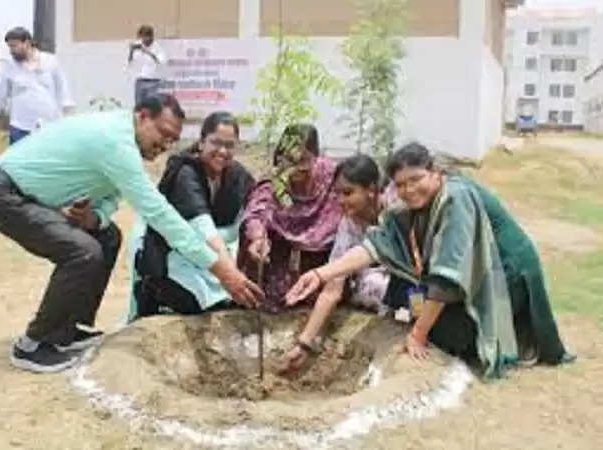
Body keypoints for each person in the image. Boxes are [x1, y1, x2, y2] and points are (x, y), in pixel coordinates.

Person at [0, 92, 263, 374]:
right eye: (162, 134)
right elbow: (160, 214)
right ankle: (31, 345)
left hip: (28, 196)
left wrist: (93, 218)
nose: (165, 144)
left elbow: (109, 199)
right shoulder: (116, 141)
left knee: (108, 237)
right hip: (3, 193)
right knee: (83, 251)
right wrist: (222, 270)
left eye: (173, 140)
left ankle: (67, 330)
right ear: (142, 116)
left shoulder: (125, 144)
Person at [287, 142, 574, 378]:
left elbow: (446, 276)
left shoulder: (455, 198)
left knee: (444, 331)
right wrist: (320, 274)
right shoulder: (406, 208)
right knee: (405, 291)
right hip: (451, 278)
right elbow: (376, 246)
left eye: (416, 180)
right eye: (401, 185)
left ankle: (495, 335)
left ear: (435, 173)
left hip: (504, 269)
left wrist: (418, 333)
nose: (409, 190)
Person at [129, 111, 255, 319]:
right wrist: (230, 274)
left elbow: (257, 202)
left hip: (210, 262)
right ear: (201, 142)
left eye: (230, 145)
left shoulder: (237, 175)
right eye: (216, 143)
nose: (223, 151)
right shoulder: (185, 173)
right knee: (194, 305)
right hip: (173, 260)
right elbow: (203, 229)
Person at [281, 154, 392, 372]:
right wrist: (304, 343)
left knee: (380, 284)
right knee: (370, 283)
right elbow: (332, 288)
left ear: (371, 189)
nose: (341, 200)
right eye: (337, 194)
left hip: (411, 286)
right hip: (379, 291)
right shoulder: (348, 226)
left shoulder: (396, 214)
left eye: (348, 193)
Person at [240, 124, 343, 313]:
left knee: (321, 293)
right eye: (288, 160)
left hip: (323, 256)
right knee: (273, 296)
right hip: (280, 252)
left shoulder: (333, 177)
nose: (293, 169)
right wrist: (257, 238)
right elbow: (257, 212)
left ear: (315, 158)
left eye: (302, 161)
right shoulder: (275, 181)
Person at [0, 27, 74, 145]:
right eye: (9, 46)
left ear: (27, 42)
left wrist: (68, 120)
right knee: (19, 162)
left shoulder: (50, 61)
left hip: (49, 125)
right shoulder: (9, 67)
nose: (11, 50)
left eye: (14, 46)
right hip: (20, 127)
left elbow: (63, 91)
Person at [128, 25, 167, 105]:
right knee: (139, 106)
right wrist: (131, 51)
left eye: (146, 37)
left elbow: (161, 62)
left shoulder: (158, 47)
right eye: (142, 37)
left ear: (151, 36)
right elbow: (130, 62)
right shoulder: (138, 45)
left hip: (153, 81)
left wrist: (147, 52)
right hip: (140, 81)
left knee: (152, 107)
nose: (144, 40)